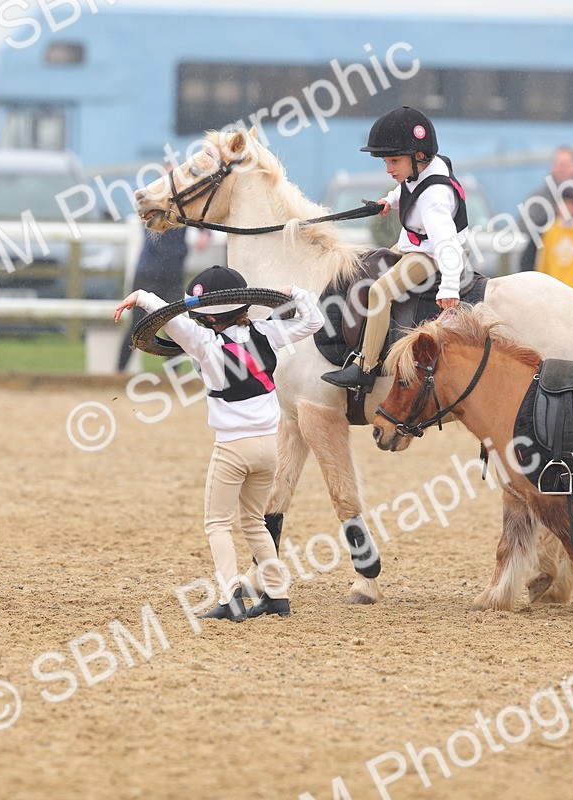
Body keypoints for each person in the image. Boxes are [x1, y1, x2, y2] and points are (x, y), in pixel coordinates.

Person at [113, 266, 323, 621]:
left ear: (209, 315)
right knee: (254, 522)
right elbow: (313, 321)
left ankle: (230, 598)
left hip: (232, 449)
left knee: (217, 524)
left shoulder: (204, 343)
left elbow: (170, 320)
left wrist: (142, 297)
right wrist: (296, 292)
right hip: (268, 448)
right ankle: (277, 595)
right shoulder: (267, 332)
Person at [322, 106, 472, 391]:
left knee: (379, 292)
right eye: (385, 161)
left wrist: (449, 287)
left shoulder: (434, 200)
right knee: (370, 264)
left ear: (418, 156)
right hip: (414, 244)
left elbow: (446, 244)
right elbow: (407, 189)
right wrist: (389, 201)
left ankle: (365, 367)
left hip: (430, 255)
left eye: (393, 161)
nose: (388, 169)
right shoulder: (423, 170)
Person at [117, 225, 211, 371]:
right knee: (136, 326)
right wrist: (204, 232)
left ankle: (172, 375)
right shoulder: (159, 212)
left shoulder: (178, 211)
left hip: (169, 274)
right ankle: (119, 372)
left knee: (174, 327)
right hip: (151, 272)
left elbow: (198, 219)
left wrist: (205, 233)